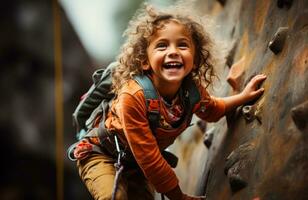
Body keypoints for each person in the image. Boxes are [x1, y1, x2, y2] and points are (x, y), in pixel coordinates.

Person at [73, 4, 266, 200]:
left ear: (196, 59)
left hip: (136, 166)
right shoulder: (133, 96)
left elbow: (213, 110)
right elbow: (149, 157)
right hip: (100, 153)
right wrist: (178, 196)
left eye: (182, 45)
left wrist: (244, 96)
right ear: (145, 61)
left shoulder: (191, 92)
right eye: (162, 46)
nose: (173, 52)